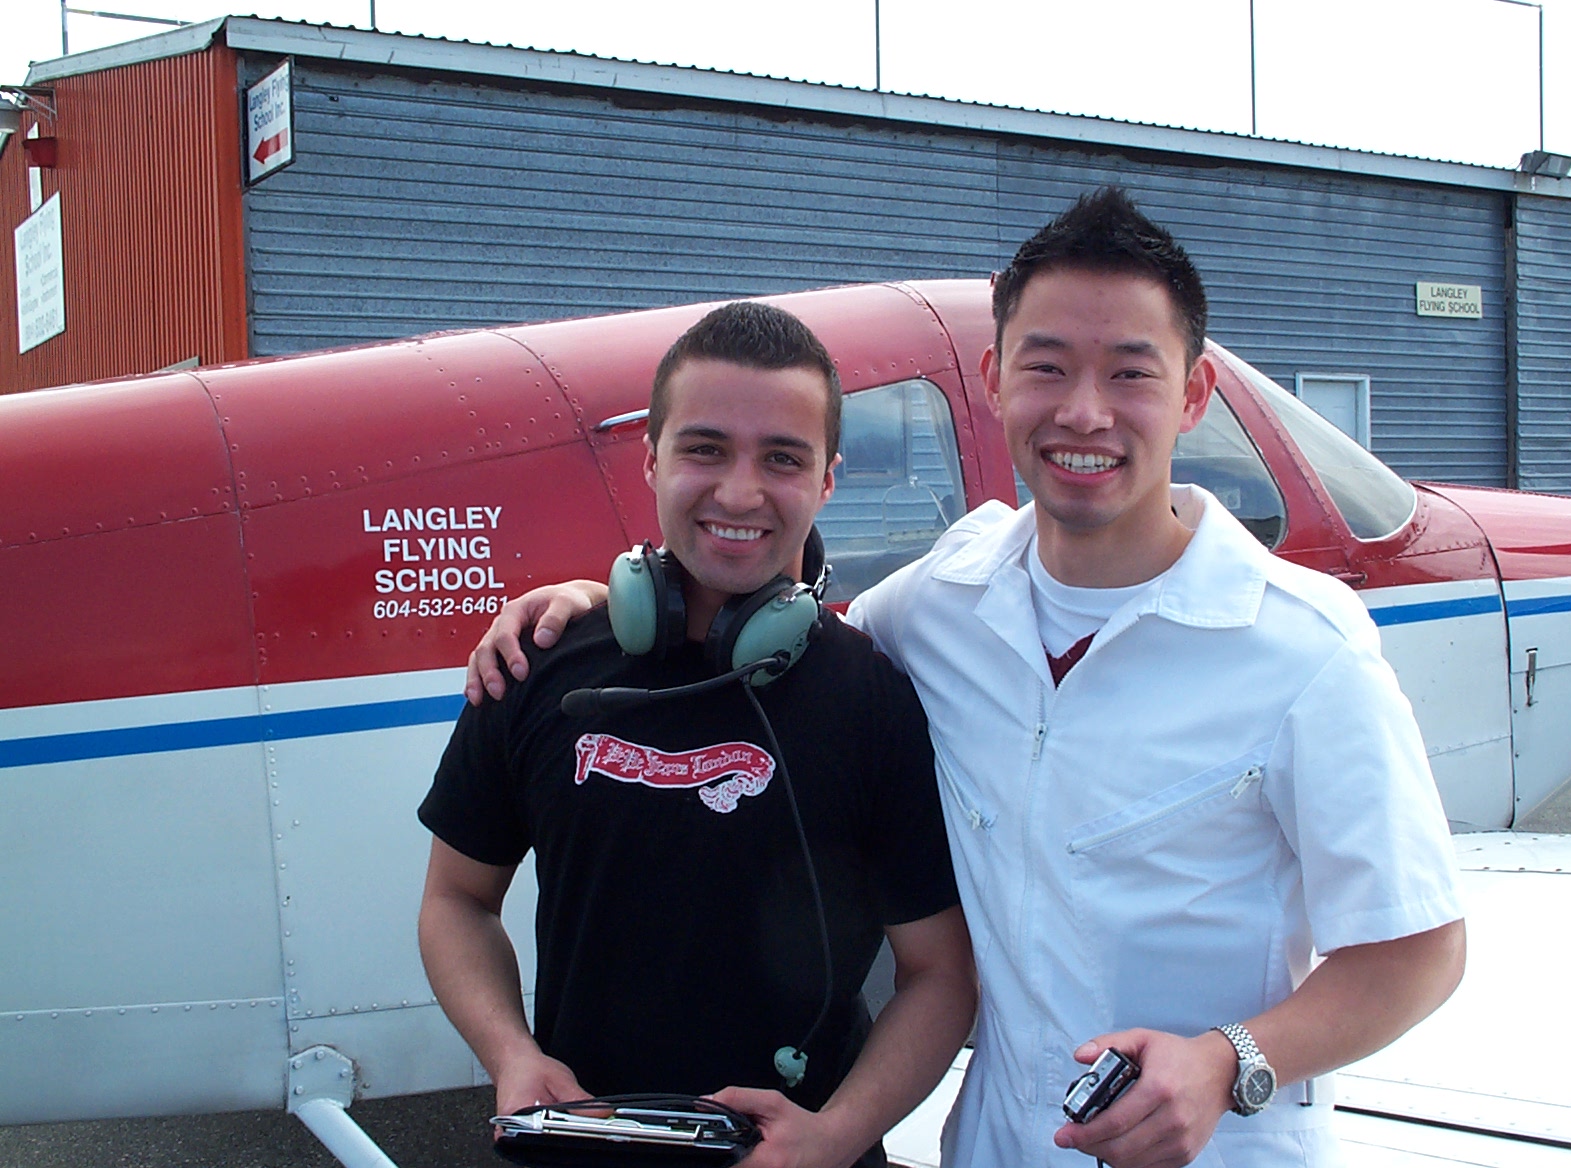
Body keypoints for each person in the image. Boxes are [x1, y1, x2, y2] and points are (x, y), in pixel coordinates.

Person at [464, 188, 1466, 1168]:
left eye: (1130, 373)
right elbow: (766, 630)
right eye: (1047, 367)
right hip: (994, 1145)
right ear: (994, 379)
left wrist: (1228, 1059)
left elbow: (1420, 951)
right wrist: (594, 604)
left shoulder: (1306, 648)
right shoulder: (934, 606)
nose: (1083, 412)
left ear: (1192, 395)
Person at [418, 301, 977, 1168]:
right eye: (705, 449)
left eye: (782, 458)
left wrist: (835, 1134)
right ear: (651, 459)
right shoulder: (536, 663)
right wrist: (511, 1054)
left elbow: (940, 975)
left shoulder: (875, 699)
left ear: (828, 480)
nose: (740, 493)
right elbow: (456, 900)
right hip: (585, 1145)